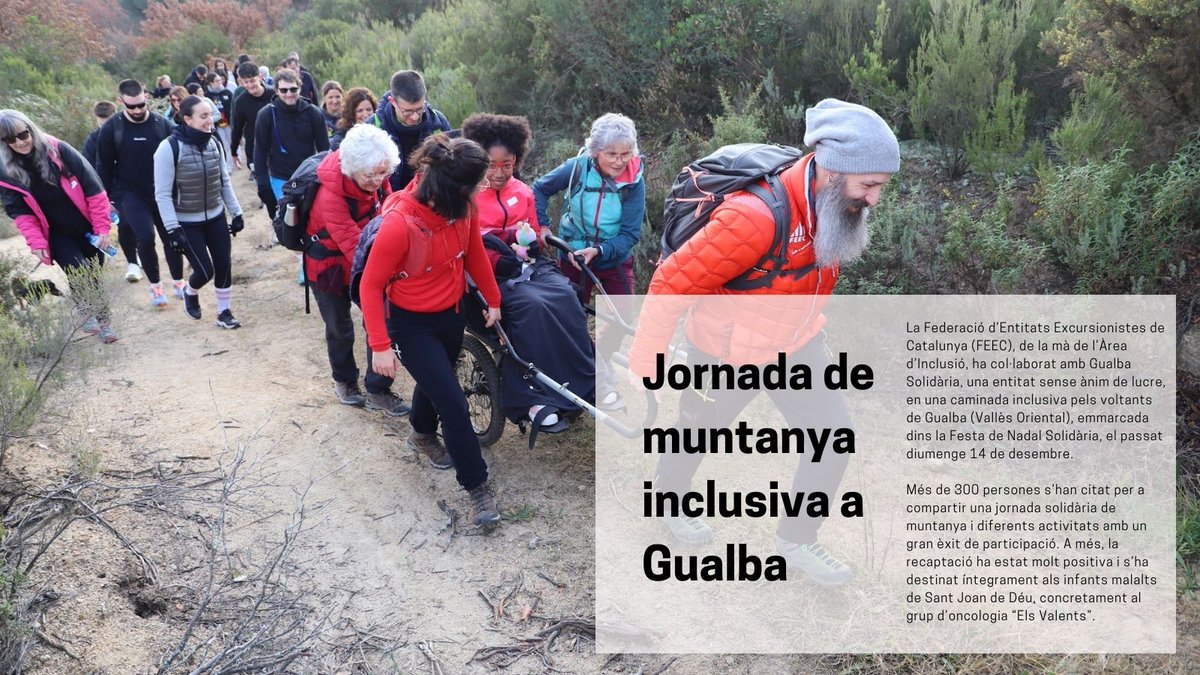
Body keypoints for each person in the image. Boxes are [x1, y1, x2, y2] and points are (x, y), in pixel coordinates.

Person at [627, 98, 901, 585]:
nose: (874, 200)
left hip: (796, 346)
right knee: (696, 433)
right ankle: (670, 501)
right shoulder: (754, 217)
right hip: (723, 352)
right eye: (869, 186)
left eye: (880, 186)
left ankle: (797, 541)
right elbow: (671, 282)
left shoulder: (831, 204)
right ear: (833, 171)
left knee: (833, 437)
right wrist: (647, 357)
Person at [360, 135, 503, 529]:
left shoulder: (463, 208)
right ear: (456, 186)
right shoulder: (399, 225)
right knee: (453, 402)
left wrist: (492, 298)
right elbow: (370, 287)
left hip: (450, 313)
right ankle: (478, 489)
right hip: (411, 322)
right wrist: (380, 346)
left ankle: (422, 434)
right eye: (479, 182)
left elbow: (473, 252)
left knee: (435, 379)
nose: (485, 188)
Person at [461, 113, 595, 431]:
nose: (499, 172)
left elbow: (534, 234)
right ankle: (532, 400)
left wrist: (531, 244)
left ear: (516, 159)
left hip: (525, 267)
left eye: (507, 164)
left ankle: (584, 382)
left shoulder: (522, 191)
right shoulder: (466, 197)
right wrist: (497, 254)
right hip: (487, 277)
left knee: (567, 295)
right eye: (491, 165)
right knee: (532, 307)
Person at [531, 112, 645, 409]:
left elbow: (631, 233)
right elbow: (540, 189)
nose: (620, 162)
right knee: (571, 317)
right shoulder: (577, 168)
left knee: (624, 316)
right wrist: (542, 227)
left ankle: (599, 359)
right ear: (596, 151)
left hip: (613, 257)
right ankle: (586, 372)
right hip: (572, 254)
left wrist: (600, 250)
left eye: (626, 154)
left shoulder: (634, 180)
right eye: (612, 154)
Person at [306, 124, 410, 415]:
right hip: (327, 266)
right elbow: (352, 245)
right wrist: (388, 273)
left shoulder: (377, 176)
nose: (379, 180)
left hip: (364, 256)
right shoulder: (330, 196)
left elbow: (390, 212)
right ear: (352, 168)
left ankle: (378, 388)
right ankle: (345, 380)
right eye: (372, 175)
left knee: (379, 321)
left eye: (384, 173)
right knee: (340, 327)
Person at [0, 110, 118, 343]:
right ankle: (102, 323)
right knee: (78, 269)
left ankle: (96, 314)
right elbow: (21, 214)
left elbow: (94, 189)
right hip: (56, 233)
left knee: (92, 274)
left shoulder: (59, 150)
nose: (19, 142)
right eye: (10, 139)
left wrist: (102, 228)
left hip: (88, 226)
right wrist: (37, 243)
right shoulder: (5, 173)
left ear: (30, 129)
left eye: (23, 134)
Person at [153, 96, 245, 329]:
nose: (210, 121)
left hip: (215, 216)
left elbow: (224, 180)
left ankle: (224, 313)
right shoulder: (168, 148)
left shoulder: (213, 142)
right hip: (186, 222)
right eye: (203, 116)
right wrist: (172, 230)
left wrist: (236, 212)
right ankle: (190, 291)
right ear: (187, 119)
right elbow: (162, 194)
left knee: (224, 264)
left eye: (210, 115)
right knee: (204, 271)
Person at [95, 79, 188, 307]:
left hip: (162, 192)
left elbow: (181, 156)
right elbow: (103, 167)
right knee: (145, 238)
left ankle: (178, 282)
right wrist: (106, 200)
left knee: (171, 238)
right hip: (131, 194)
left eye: (140, 105)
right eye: (131, 106)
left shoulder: (161, 125)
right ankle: (156, 287)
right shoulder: (112, 129)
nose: (137, 110)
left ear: (146, 97)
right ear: (121, 102)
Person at [254, 69, 329, 283]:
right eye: (284, 90)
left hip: (308, 177)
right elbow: (259, 151)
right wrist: (262, 183)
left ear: (299, 88)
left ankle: (309, 261)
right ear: (276, 90)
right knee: (291, 223)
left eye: (293, 89)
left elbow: (324, 149)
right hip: (280, 177)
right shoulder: (267, 115)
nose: (289, 94)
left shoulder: (313, 113)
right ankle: (303, 263)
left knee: (311, 220)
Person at [83, 100, 141, 283]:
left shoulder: (130, 132)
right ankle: (133, 263)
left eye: (107, 121)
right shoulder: (92, 141)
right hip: (109, 191)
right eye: (101, 122)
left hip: (136, 186)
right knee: (124, 224)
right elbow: (87, 169)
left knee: (138, 226)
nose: (104, 126)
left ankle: (140, 254)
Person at [366, 70, 450, 192]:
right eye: (408, 111)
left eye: (420, 109)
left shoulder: (438, 123)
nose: (415, 117)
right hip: (388, 202)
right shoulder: (372, 128)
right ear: (392, 101)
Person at [230, 61, 274, 186]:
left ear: (260, 76)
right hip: (254, 148)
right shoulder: (241, 102)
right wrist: (234, 151)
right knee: (263, 187)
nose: (250, 85)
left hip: (275, 146)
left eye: (252, 80)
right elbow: (237, 127)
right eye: (246, 82)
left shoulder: (274, 95)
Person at [205, 72, 234, 170]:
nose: (219, 82)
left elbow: (232, 107)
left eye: (220, 80)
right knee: (223, 144)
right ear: (210, 83)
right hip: (216, 124)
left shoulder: (227, 92)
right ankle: (228, 166)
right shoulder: (207, 96)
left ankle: (235, 159)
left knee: (232, 142)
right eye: (216, 81)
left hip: (228, 122)